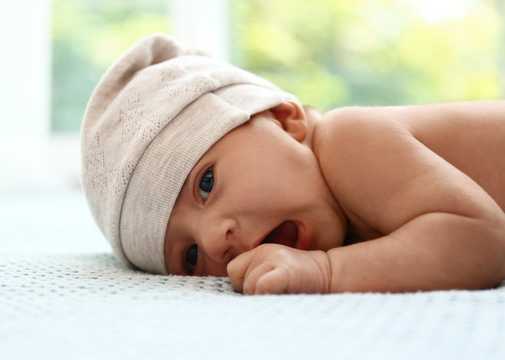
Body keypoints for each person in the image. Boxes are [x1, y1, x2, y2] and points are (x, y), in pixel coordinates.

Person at [81, 33, 505, 294]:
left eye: (205, 184)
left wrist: (326, 272)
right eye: (189, 256)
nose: (214, 241)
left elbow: (483, 240)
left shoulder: (349, 139)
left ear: (286, 122)